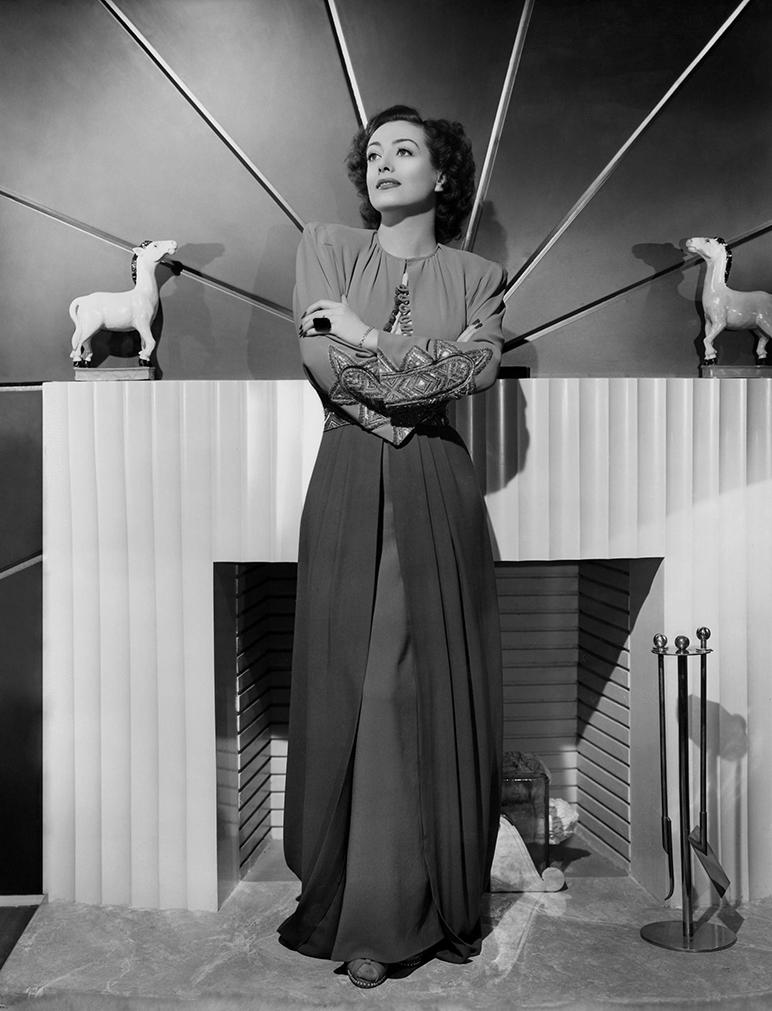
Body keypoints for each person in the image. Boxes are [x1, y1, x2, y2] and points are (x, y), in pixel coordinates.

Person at [277, 105, 507, 989]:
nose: (382, 162)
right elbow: (323, 364)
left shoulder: (479, 275)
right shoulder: (327, 246)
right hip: (348, 474)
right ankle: (353, 895)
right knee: (353, 682)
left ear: (442, 175)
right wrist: (411, 385)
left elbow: (475, 371)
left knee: (410, 687)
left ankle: (400, 911)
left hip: (437, 486)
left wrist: (371, 335)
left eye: (403, 150)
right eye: (373, 152)